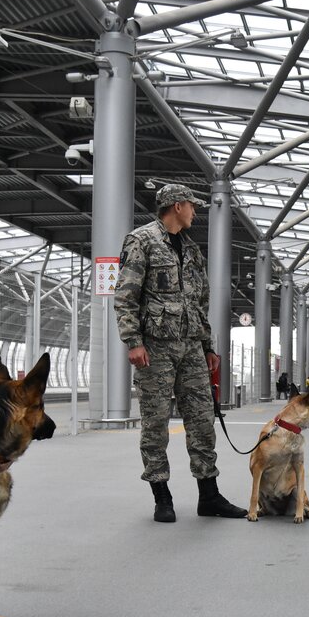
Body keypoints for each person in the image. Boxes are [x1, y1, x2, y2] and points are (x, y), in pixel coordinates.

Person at [116, 184, 248, 523]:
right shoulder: (141, 241)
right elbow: (126, 296)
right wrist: (133, 341)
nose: (195, 211)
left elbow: (199, 303)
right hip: (155, 349)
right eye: (191, 206)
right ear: (177, 206)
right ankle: (162, 496)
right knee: (156, 425)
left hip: (191, 348)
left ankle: (210, 496)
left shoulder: (191, 250)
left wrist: (207, 347)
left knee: (202, 421)